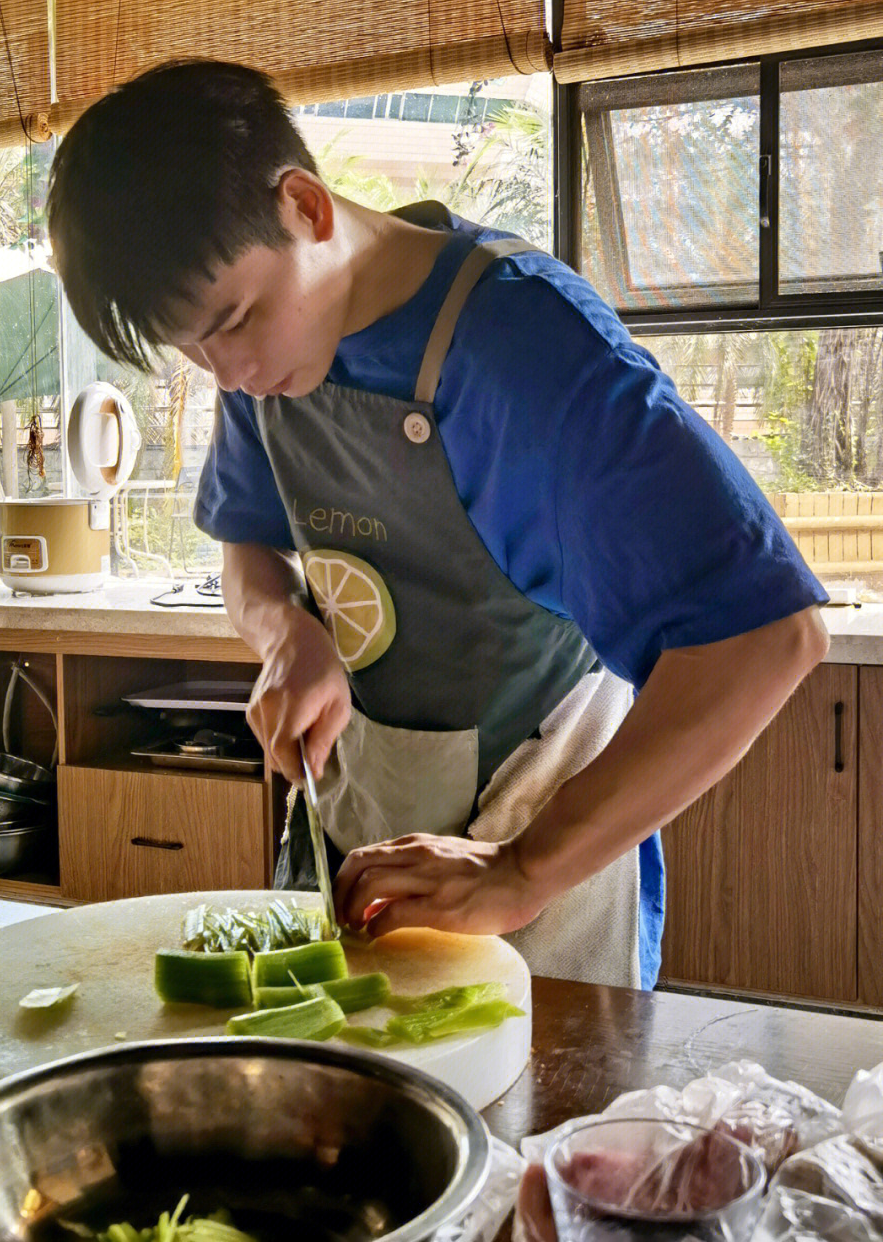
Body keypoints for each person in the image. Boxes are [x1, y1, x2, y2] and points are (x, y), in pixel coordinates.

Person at [47, 58, 829, 989]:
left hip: (538, 867)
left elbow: (769, 638)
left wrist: (523, 868)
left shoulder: (530, 345)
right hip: (358, 846)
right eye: (193, 350)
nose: (229, 373)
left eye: (236, 320)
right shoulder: (265, 364)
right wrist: (287, 632)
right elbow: (244, 544)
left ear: (305, 205)